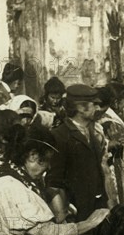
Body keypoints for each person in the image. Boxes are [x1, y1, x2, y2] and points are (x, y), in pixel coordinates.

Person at [46, 84, 108, 222]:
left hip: (97, 205)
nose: (97, 108)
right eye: (94, 104)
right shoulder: (60, 135)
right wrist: (63, 216)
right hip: (77, 211)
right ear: (81, 108)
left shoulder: (92, 131)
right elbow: (55, 182)